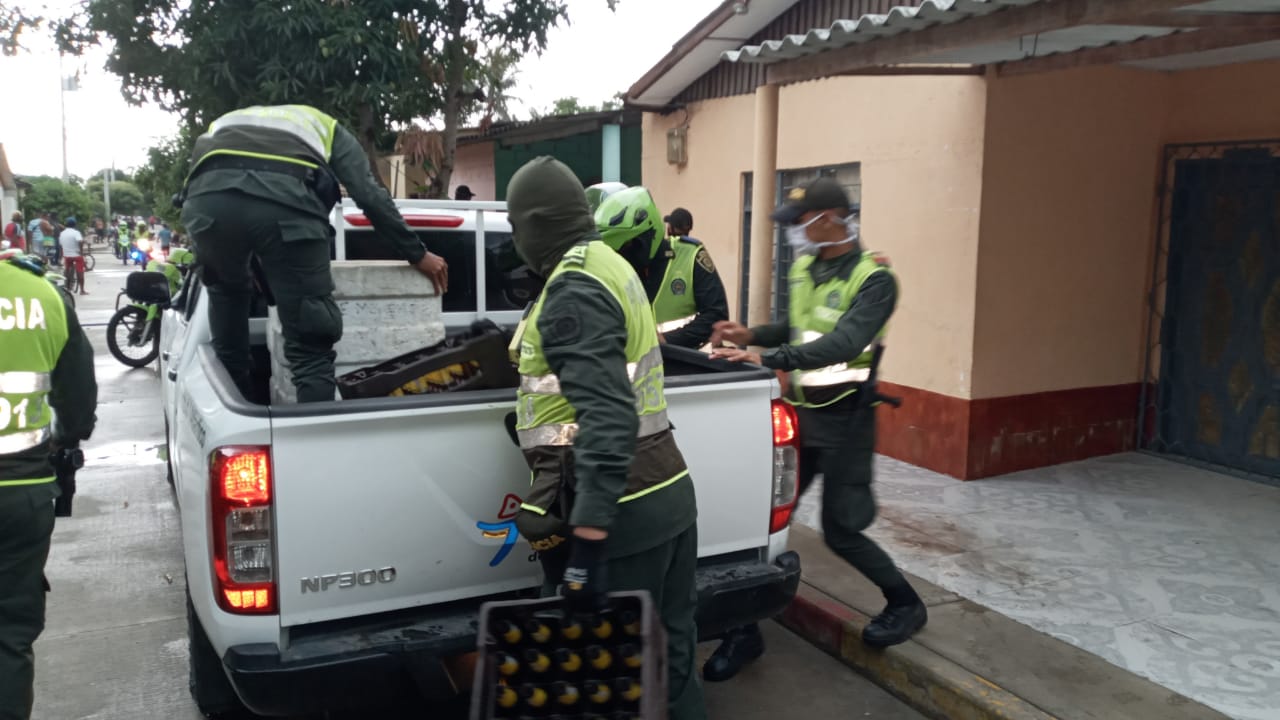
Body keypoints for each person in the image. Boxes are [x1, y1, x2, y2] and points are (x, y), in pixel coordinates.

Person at [506, 157, 706, 720]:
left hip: (622, 517)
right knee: (671, 658)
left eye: (517, 226)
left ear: (535, 225)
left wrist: (589, 542)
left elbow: (609, 415)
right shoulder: (608, 263)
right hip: (667, 493)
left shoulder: (572, 290)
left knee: (609, 681)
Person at [706, 177, 927, 680]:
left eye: (799, 222)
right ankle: (743, 631)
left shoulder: (875, 280)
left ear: (828, 219)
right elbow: (798, 327)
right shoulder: (806, 269)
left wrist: (770, 357)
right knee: (759, 520)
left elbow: (845, 342)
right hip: (802, 417)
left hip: (847, 422)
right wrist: (753, 334)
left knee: (842, 530)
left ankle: (905, 603)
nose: (794, 232)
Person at [179, 104, 449, 403]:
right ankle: (315, 425)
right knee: (310, 345)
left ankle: (237, 412)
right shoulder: (328, 128)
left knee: (227, 302)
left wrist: (252, 261)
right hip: (288, 209)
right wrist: (417, 254)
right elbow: (368, 195)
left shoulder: (225, 121)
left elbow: (228, 194)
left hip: (206, 207)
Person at [0, 254, 97, 720]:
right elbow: (76, 402)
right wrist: (66, 437)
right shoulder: (42, 294)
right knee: (8, 636)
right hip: (22, 491)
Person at [593, 191, 729, 347]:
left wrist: (667, 340)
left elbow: (717, 316)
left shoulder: (690, 256)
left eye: (626, 246)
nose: (621, 255)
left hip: (686, 359)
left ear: (648, 235)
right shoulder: (616, 271)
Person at [58, 218, 87, 296]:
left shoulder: (62, 233)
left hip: (67, 256)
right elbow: (80, 241)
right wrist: (81, 252)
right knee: (80, 271)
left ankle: (66, 287)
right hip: (76, 255)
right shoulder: (76, 232)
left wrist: (62, 254)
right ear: (75, 225)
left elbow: (60, 245)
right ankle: (82, 290)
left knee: (67, 270)